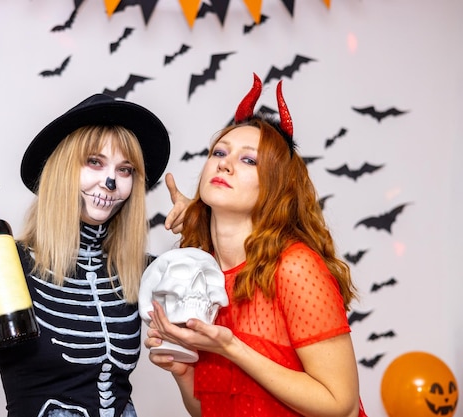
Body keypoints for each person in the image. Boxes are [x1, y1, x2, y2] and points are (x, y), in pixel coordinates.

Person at [0, 93, 186, 417]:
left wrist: (206, 231)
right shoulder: (8, 264)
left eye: (126, 169)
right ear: (61, 170)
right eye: (94, 162)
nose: (111, 181)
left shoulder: (143, 270)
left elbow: (233, 323)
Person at [144, 74, 368, 417]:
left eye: (249, 160)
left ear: (275, 188)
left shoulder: (294, 267)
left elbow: (340, 405)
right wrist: (184, 372)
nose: (225, 163)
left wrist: (232, 347)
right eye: (220, 152)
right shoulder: (200, 275)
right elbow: (213, 409)